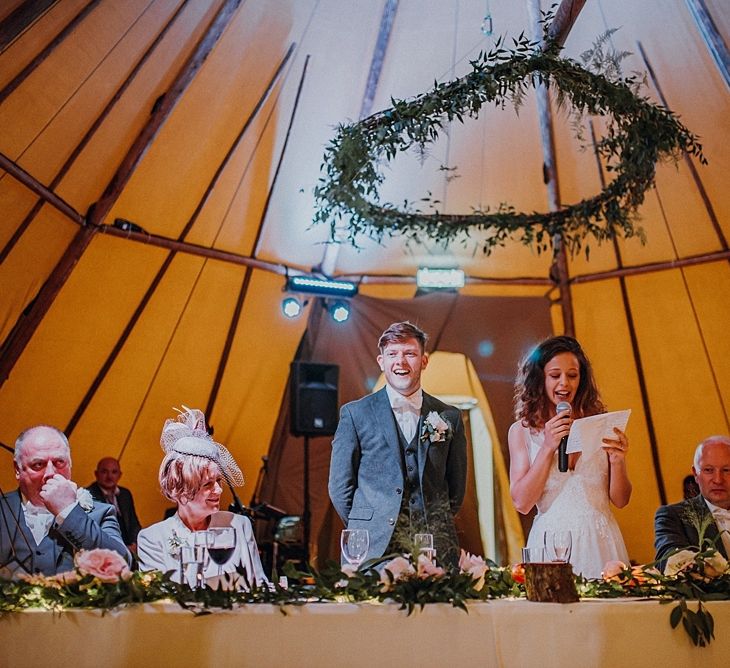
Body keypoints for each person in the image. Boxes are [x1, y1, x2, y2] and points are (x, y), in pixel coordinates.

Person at [328, 321, 467, 566]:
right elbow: (340, 487)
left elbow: (456, 488)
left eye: (410, 354)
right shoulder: (355, 414)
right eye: (392, 354)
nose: (400, 362)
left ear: (423, 361)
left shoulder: (449, 417)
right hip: (371, 549)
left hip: (435, 547)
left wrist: (434, 520)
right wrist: (369, 523)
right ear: (381, 362)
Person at [508, 335, 631, 579]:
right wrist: (547, 447)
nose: (564, 383)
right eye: (555, 375)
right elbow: (522, 503)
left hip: (600, 543)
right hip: (550, 546)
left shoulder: (600, 423)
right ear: (540, 379)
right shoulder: (521, 431)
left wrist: (618, 462)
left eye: (572, 375)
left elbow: (621, 499)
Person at [137, 407, 268, 588]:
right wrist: (229, 583)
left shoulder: (238, 525)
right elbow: (159, 601)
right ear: (181, 489)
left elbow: (259, 586)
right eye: (208, 484)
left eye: (219, 481)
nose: (218, 490)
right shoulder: (152, 539)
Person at [0, 425, 131, 578]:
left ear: (70, 464)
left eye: (59, 462)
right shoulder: (3, 508)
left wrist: (68, 511)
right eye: (38, 464)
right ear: (17, 469)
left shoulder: (100, 512)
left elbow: (124, 565)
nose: (50, 473)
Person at [654, 435, 730, 565]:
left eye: (727, 470)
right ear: (695, 474)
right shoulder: (673, 517)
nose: (718, 480)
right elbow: (670, 562)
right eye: (708, 470)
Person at [87, 457, 142, 552]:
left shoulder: (125, 494)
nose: (109, 476)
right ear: (96, 474)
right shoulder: (88, 495)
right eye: (104, 472)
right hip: (102, 549)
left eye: (114, 472)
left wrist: (135, 543)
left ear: (120, 475)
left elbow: (133, 523)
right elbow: (91, 531)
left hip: (129, 548)